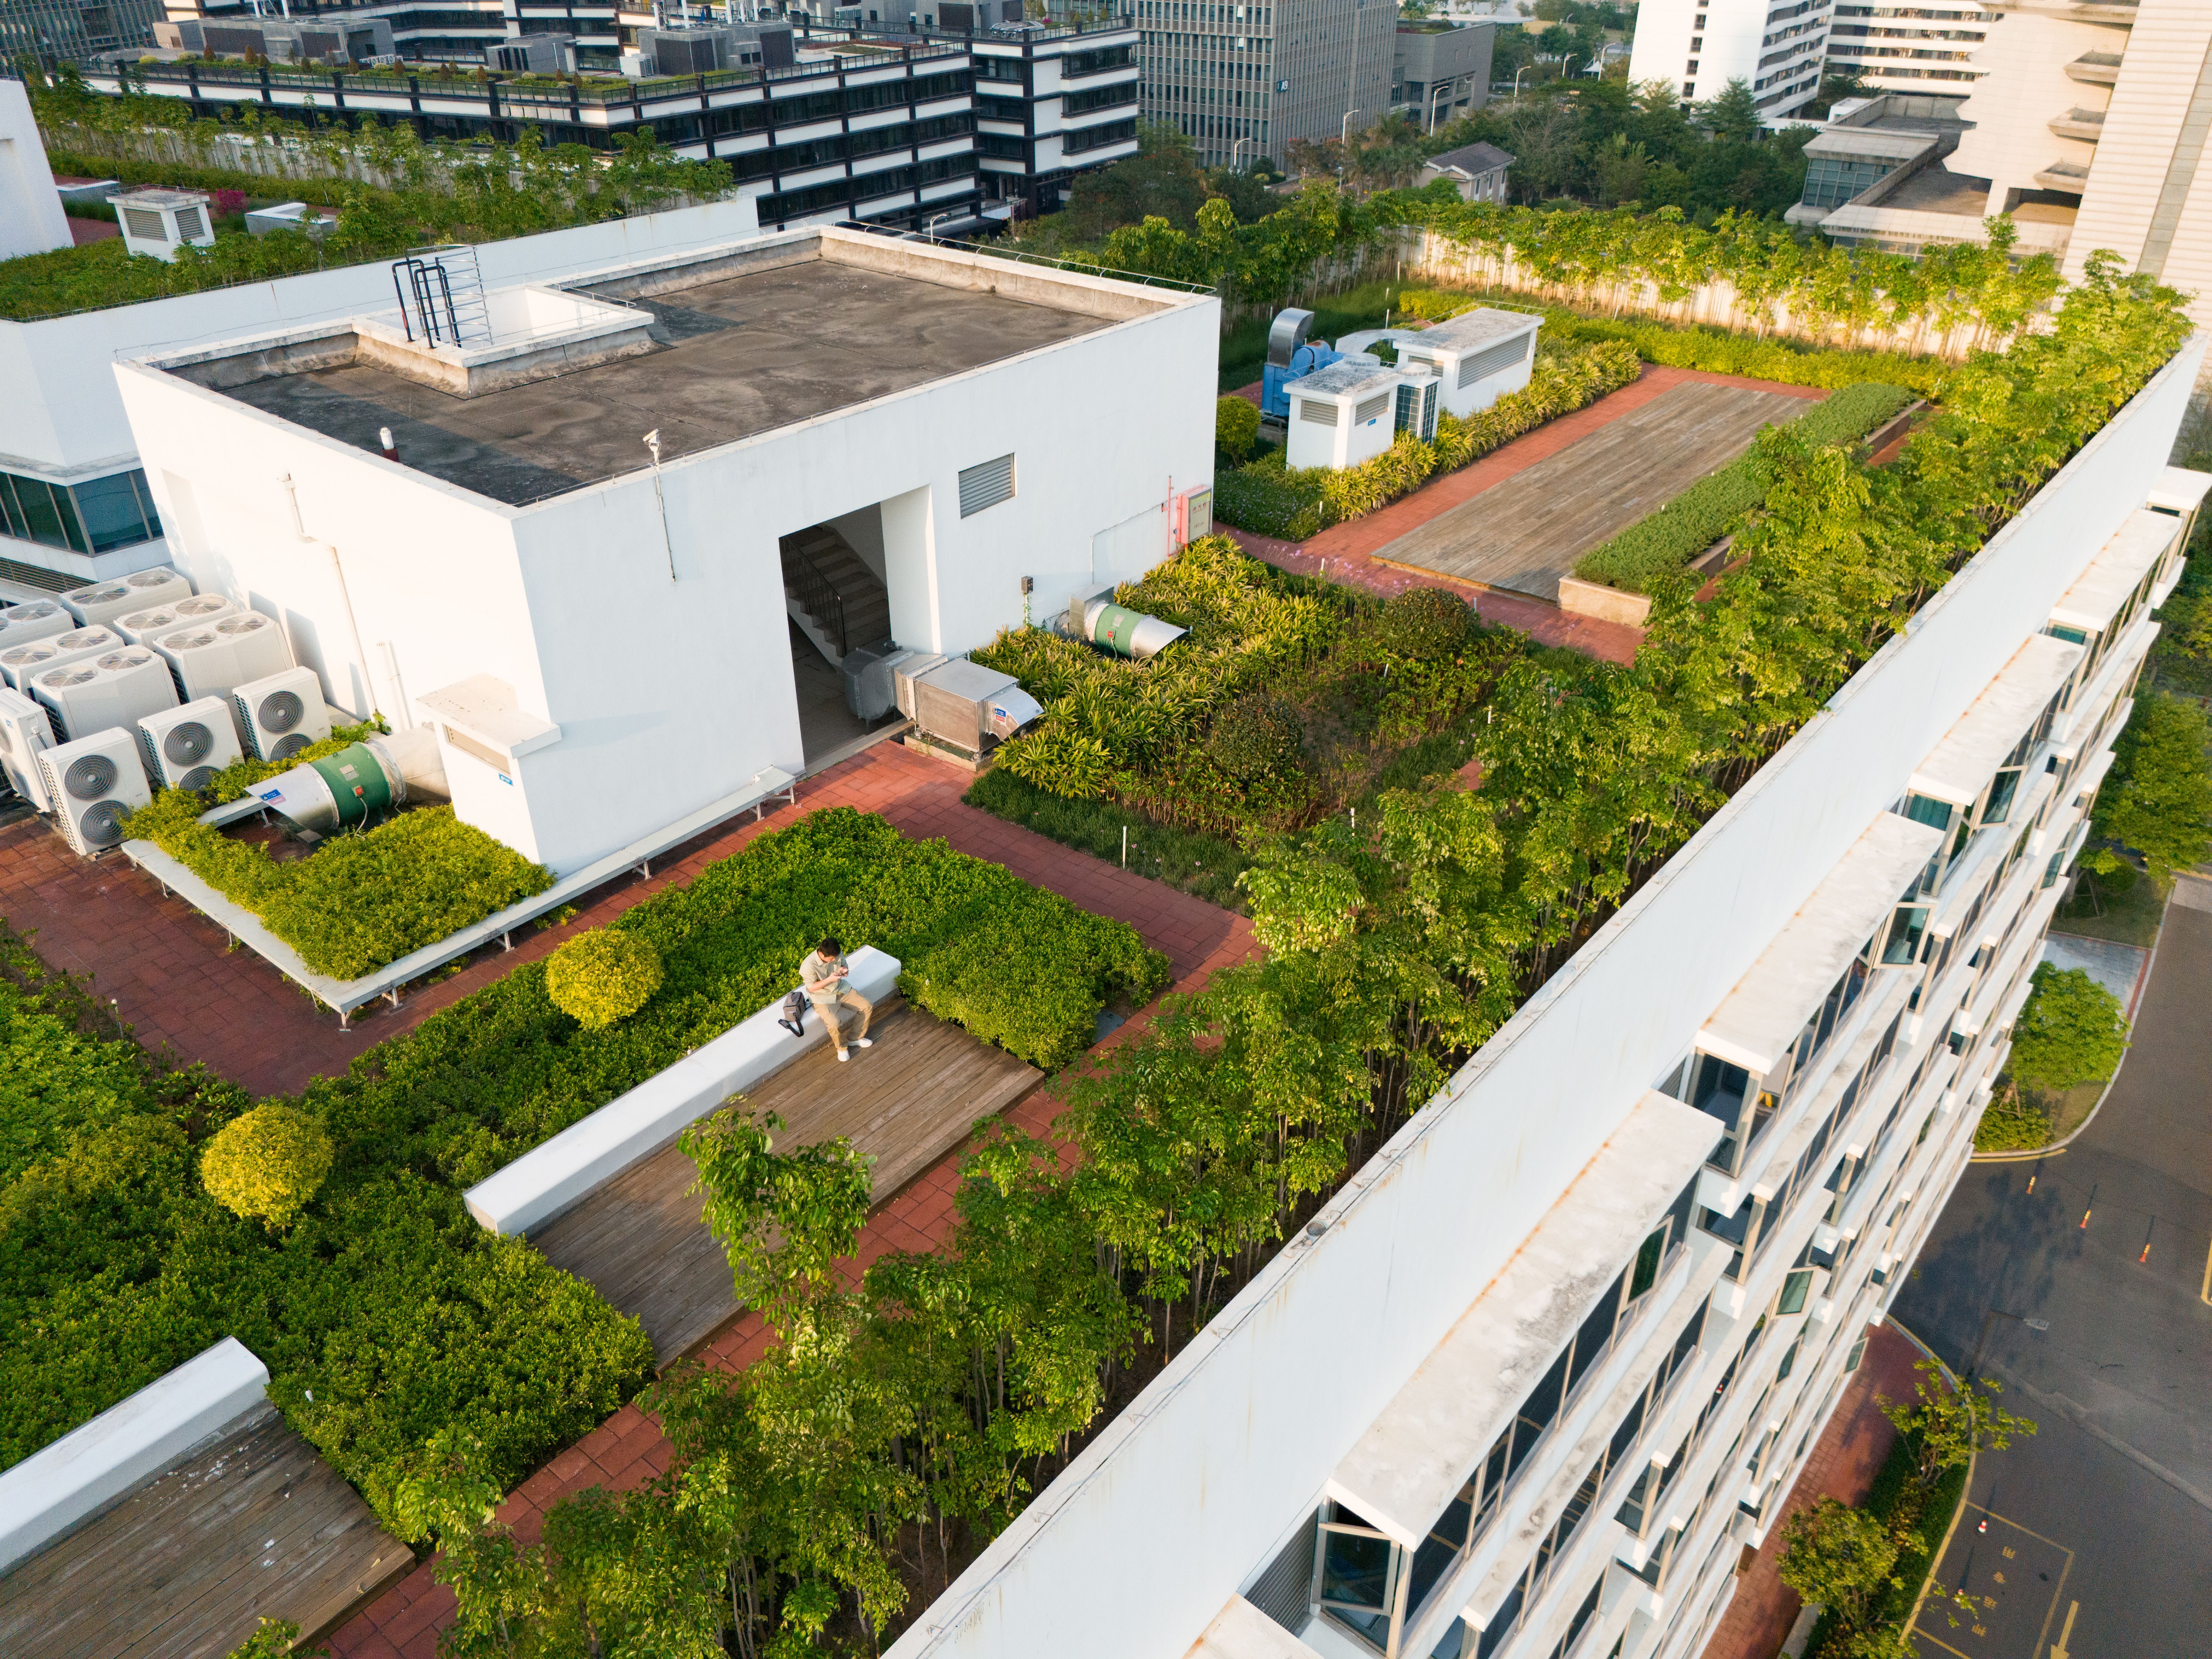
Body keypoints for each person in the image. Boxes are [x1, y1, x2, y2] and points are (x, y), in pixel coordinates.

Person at [801, 935, 873, 1062]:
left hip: (841, 989)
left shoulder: (836, 953)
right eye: (832, 958)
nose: (835, 959)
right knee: (834, 1024)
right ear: (822, 955)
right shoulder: (808, 966)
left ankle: (855, 1038)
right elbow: (812, 988)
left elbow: (844, 964)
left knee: (867, 1006)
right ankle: (842, 1048)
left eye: (836, 957)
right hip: (822, 998)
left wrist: (845, 970)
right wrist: (829, 980)